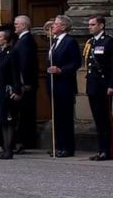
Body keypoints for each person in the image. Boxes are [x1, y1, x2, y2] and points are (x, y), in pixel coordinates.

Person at [46, 15, 81, 158]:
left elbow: (75, 62)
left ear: (64, 26)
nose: (53, 26)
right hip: (53, 83)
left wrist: (61, 70)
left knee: (65, 117)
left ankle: (67, 147)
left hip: (64, 84)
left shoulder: (70, 41)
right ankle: (58, 145)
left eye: (56, 24)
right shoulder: (54, 41)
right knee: (57, 116)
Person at [0, 24, 22, 159]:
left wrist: (17, 90)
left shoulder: (12, 52)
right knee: (1, 120)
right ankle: (5, 147)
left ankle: (9, 149)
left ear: (6, 39)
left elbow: (15, 72)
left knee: (9, 120)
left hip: (8, 91)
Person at [84, 15, 113, 161]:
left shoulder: (108, 42)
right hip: (93, 85)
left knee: (105, 119)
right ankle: (101, 149)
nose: (90, 27)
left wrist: (111, 85)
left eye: (93, 24)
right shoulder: (91, 42)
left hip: (103, 85)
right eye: (89, 24)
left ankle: (107, 150)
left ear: (101, 26)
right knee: (97, 119)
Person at [13, 15, 39, 153]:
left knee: (23, 115)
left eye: (17, 24)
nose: (15, 26)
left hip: (25, 84)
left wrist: (24, 84)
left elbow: (25, 64)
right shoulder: (22, 40)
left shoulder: (25, 41)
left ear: (23, 25)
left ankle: (22, 142)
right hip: (25, 83)